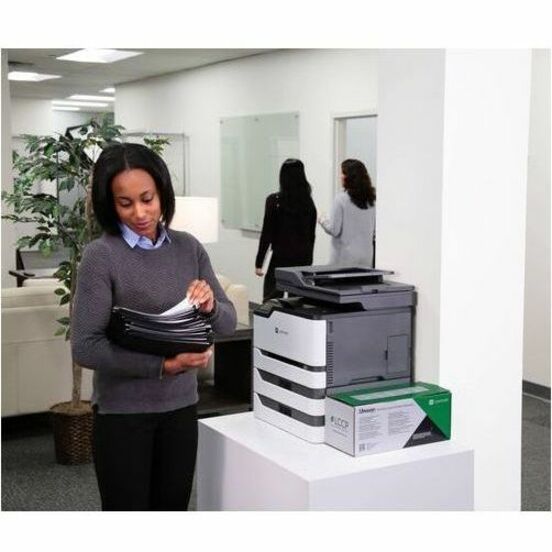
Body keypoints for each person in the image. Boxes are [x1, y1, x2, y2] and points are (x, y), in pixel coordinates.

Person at [71, 142, 237, 511]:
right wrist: (163, 367)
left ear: (162, 192)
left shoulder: (188, 248)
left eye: (147, 198)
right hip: (122, 416)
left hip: (180, 411)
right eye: (125, 203)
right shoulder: (102, 256)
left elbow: (227, 323)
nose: (140, 212)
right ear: (109, 203)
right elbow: (85, 345)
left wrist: (209, 305)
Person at [255, 158, 317, 301]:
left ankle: (270, 324)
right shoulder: (308, 203)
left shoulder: (274, 200)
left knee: (271, 299)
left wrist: (259, 263)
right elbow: (311, 236)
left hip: (280, 258)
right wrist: (309, 262)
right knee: (298, 300)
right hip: (302, 260)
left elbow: (267, 234)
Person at [318, 158, 376, 267]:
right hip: (366, 260)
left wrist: (322, 219)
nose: (340, 176)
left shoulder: (340, 199)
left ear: (348, 177)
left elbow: (334, 230)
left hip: (343, 261)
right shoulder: (372, 201)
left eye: (342, 173)